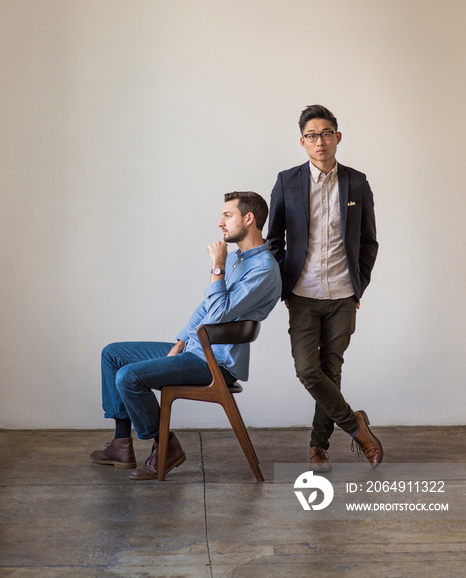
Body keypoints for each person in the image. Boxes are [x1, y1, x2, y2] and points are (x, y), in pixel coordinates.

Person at [91, 191, 281, 480]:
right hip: (195, 350)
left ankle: (166, 446)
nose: (220, 222)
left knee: (128, 377)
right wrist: (181, 341)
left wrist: (217, 265)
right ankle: (121, 445)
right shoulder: (239, 260)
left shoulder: (263, 269)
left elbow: (218, 314)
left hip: (215, 363)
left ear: (249, 218)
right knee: (113, 354)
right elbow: (205, 306)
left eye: (227, 215)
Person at [267, 105, 382, 471]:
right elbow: (274, 242)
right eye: (313, 136)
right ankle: (356, 427)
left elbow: (368, 241)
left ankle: (319, 446)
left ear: (338, 137)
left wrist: (357, 289)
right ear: (303, 142)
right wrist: (285, 288)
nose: (321, 141)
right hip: (303, 294)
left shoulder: (356, 182)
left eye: (327, 133)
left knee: (331, 370)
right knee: (307, 369)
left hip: (343, 295)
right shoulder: (287, 181)